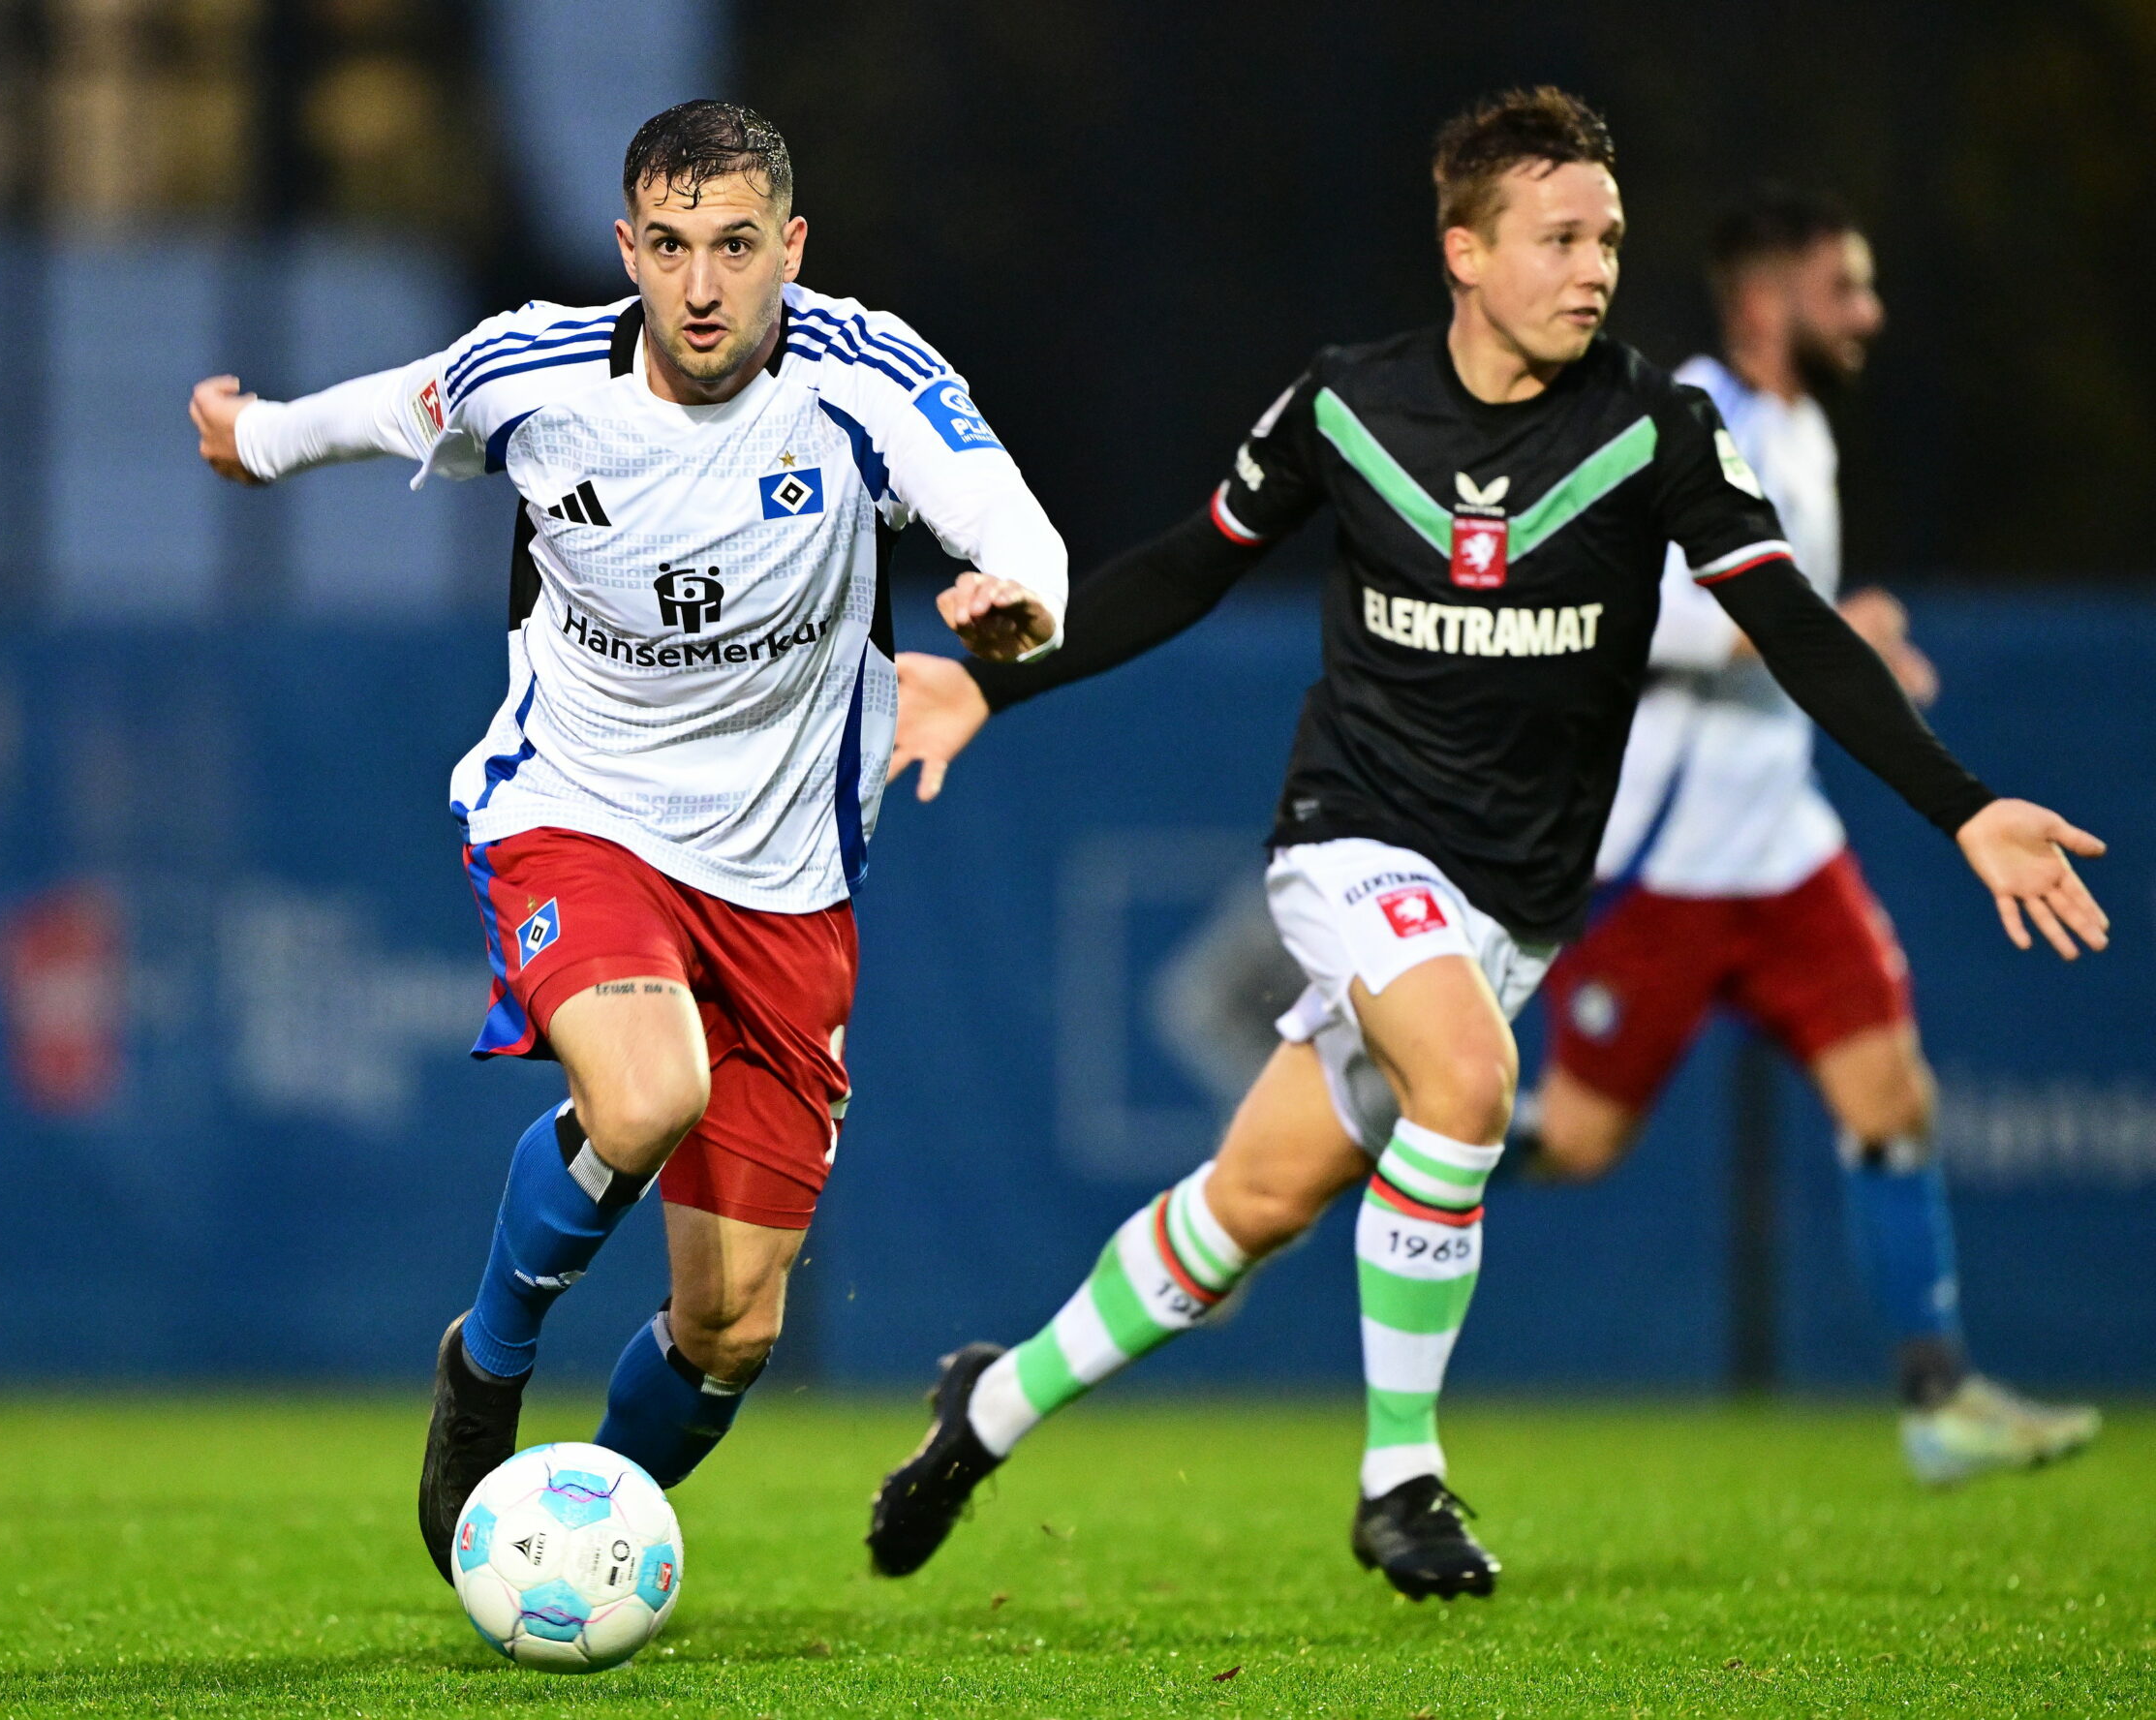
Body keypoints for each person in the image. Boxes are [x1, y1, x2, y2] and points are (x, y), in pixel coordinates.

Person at [866, 87, 2108, 1601]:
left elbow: (1792, 628)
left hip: (1516, 905)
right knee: (1467, 1082)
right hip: (1351, 839)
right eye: (1560, 238)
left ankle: (980, 1413)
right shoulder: (1343, 406)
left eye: (1610, 240)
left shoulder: (1656, 432)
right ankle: (1402, 1480)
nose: (1595, 268)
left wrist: (1962, 802)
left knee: (1252, 1203)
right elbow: (1188, 572)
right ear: (1464, 250)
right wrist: (996, 683)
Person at [187, 100, 1067, 1582]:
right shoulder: (535, 373)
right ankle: (489, 1362)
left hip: (788, 885)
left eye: (736, 247)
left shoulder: (872, 379)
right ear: (629, 251)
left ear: (791, 247)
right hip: (576, 813)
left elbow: (1019, 529)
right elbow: (389, 409)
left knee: (733, 1331)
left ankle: (560, 1544)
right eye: (671, 248)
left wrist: (1016, 603)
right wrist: (256, 439)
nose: (705, 286)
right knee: (648, 1090)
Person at [1521, 185, 2098, 1485]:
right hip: (1661, 856)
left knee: (1895, 1100)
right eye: (1846, 286)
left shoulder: (1799, 430)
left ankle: (1937, 1403)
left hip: (1780, 842)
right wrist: (1802, 632)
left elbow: (1788, 614)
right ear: (1770, 296)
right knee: (1575, 1143)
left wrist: (1843, 634)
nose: (1870, 313)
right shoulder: (1677, 416)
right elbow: (1621, 617)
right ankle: (1370, 1146)